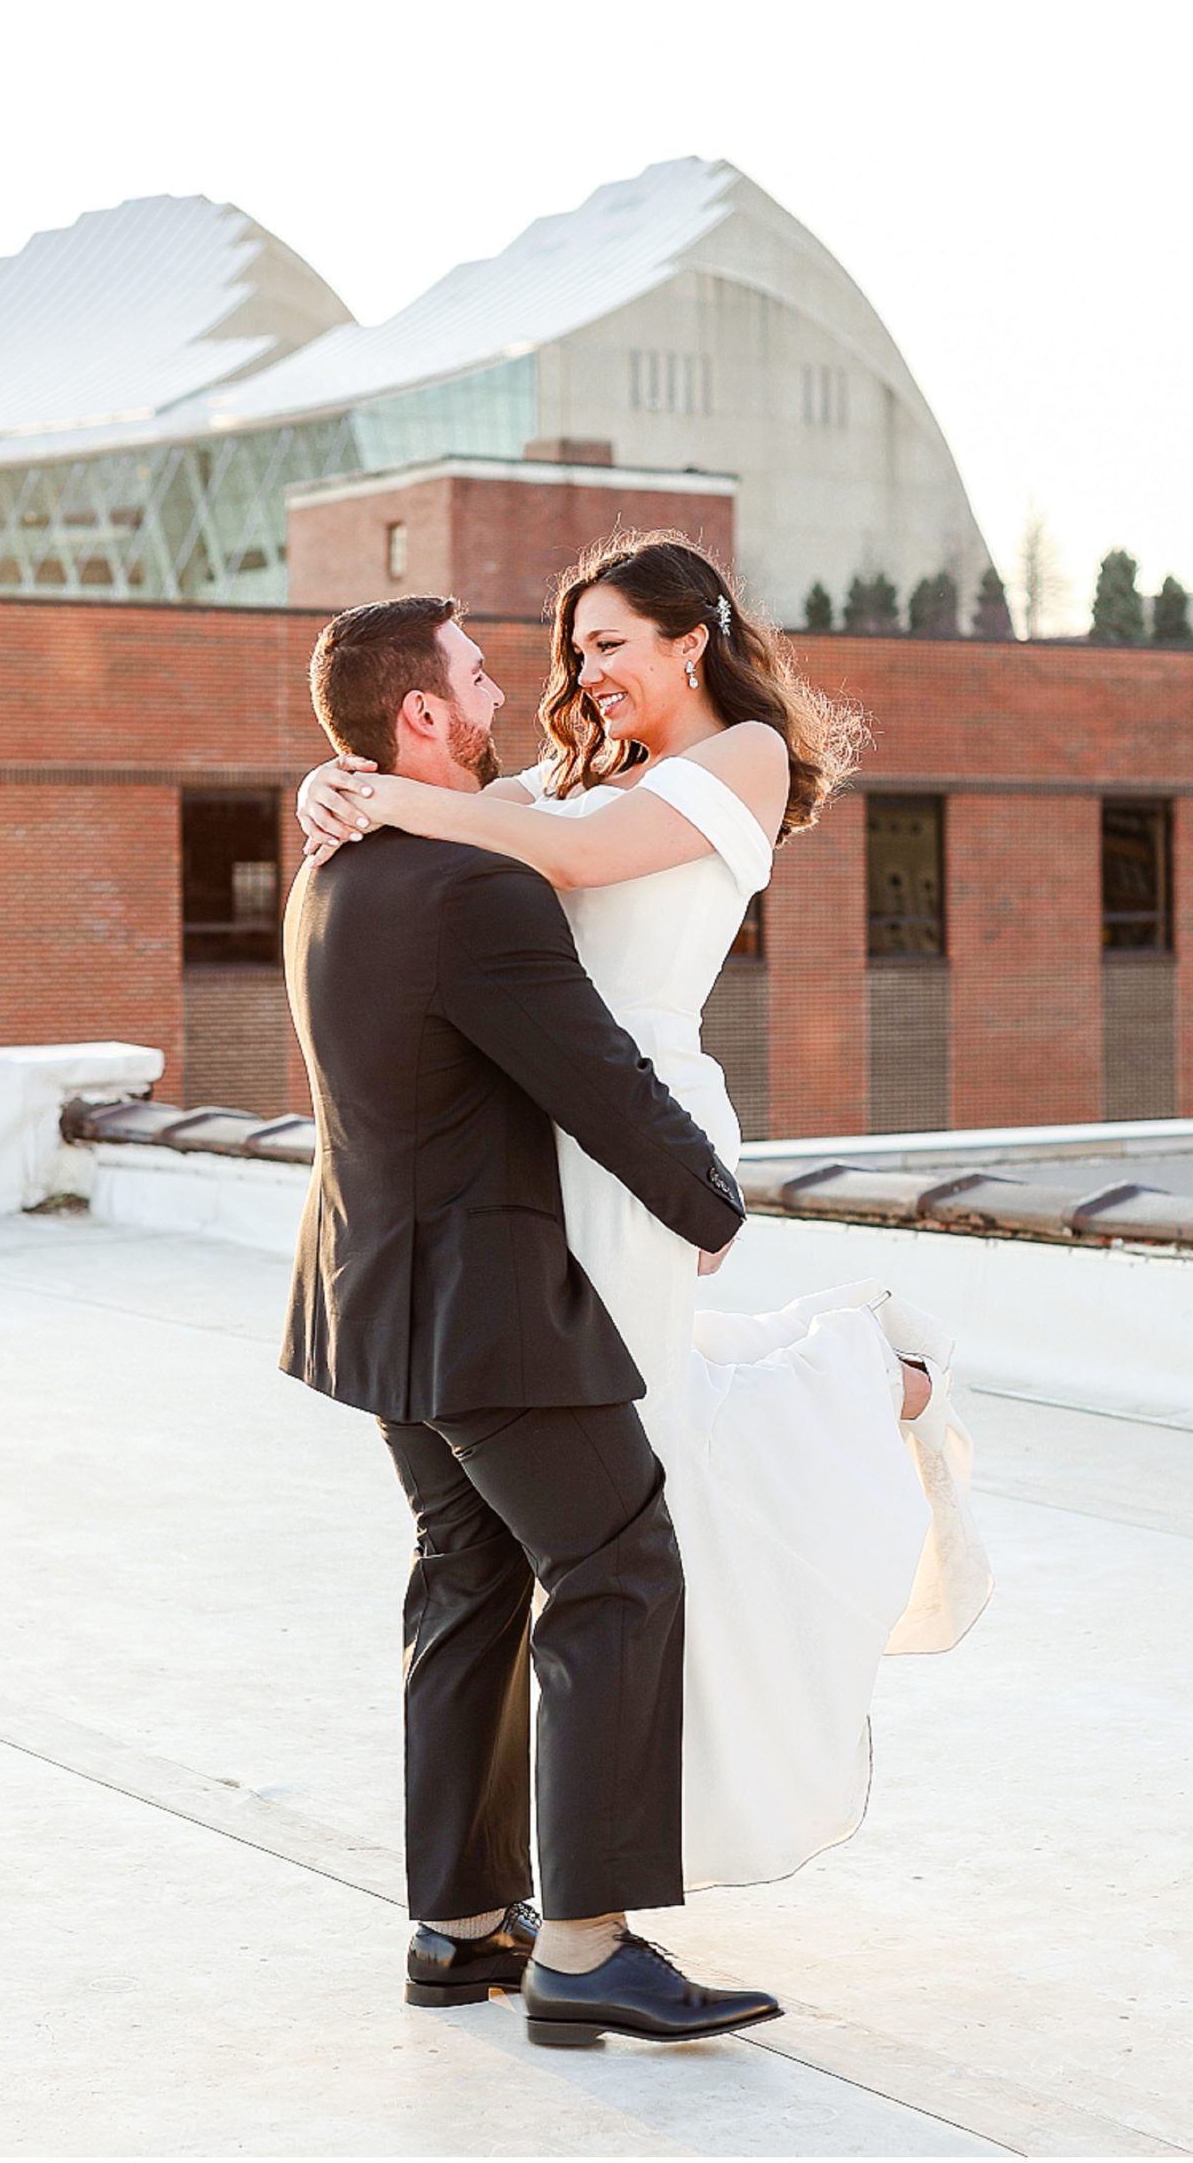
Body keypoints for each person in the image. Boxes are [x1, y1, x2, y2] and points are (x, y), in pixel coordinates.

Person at [298, 531, 992, 1890]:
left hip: (632, 1127)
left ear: (691, 638)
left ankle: (857, 1382)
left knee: (626, 1473)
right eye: (568, 652)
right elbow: (496, 819)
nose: (581, 672)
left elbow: (576, 860)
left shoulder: (739, 756)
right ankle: (533, 1904)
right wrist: (352, 780)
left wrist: (371, 787)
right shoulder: (576, 770)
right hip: (538, 1136)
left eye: (609, 643)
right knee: (550, 1517)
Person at [281, 591, 784, 2047]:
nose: (518, 690)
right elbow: (593, 1077)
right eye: (481, 675)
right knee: (618, 1568)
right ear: (422, 716)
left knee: (468, 1576)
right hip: (485, 1302)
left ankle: (456, 1927)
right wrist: (708, 1206)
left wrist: (341, 781)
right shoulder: (474, 881)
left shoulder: (340, 865)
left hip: (368, 1293)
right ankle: (582, 1945)